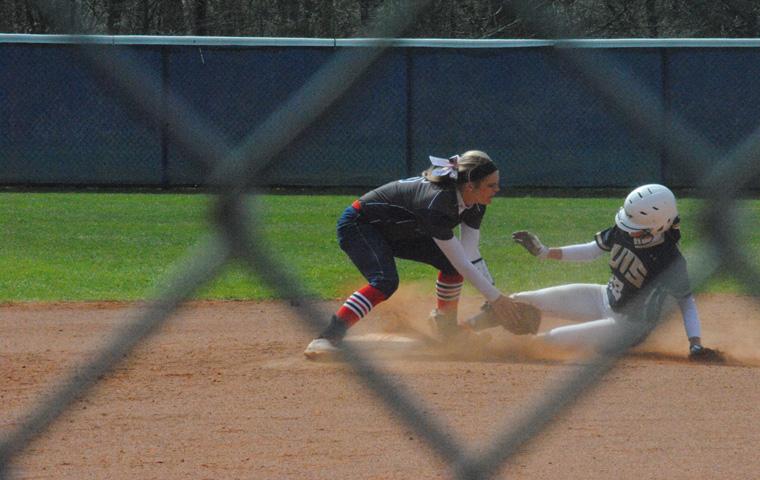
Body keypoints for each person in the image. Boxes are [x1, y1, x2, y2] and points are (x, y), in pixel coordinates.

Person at [304, 150, 520, 358]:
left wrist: (492, 295)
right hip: (361, 225)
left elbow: (470, 253)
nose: (497, 189)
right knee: (384, 282)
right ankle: (327, 338)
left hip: (400, 230)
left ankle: (447, 329)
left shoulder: (475, 204)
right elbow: (463, 262)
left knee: (450, 266)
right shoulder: (439, 203)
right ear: (471, 186)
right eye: (491, 185)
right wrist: (496, 299)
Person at [507, 184, 721, 361]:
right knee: (523, 300)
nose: (629, 229)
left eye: (635, 226)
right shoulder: (626, 229)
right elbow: (591, 250)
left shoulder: (670, 259)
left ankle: (498, 352)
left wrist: (695, 344)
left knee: (550, 340)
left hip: (627, 327)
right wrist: (544, 252)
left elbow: (685, 300)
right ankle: (474, 328)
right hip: (604, 297)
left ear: (659, 225)